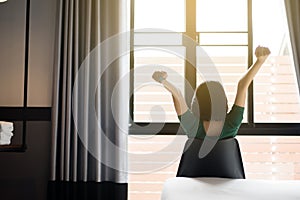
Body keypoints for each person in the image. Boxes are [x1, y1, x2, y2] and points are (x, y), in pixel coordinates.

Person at [152, 46, 271, 139]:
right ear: (223, 102)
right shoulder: (232, 123)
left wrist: (163, 80)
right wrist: (260, 61)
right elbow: (242, 86)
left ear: (197, 103)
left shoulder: (192, 125)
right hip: (228, 171)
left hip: (195, 171)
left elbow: (177, 95)